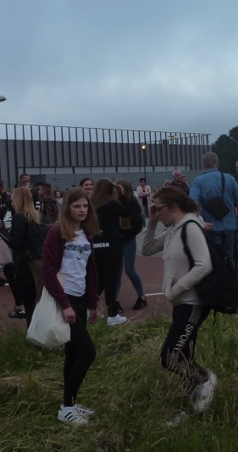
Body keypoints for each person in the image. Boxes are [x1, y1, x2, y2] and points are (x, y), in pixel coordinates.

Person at [142, 186, 217, 416]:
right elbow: (147, 249)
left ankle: (204, 380)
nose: (156, 211)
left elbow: (204, 265)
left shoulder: (191, 227)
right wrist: (152, 222)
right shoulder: (174, 228)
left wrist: (176, 289)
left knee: (169, 357)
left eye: (158, 208)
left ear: (173, 206)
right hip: (181, 302)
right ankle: (193, 406)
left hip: (192, 302)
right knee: (184, 355)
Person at [41, 187, 100, 426]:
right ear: (67, 208)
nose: (82, 210)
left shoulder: (87, 233)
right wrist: (65, 304)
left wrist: (93, 303)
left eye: (85, 206)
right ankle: (66, 407)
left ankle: (70, 403)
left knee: (73, 353)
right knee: (87, 352)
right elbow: (48, 271)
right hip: (64, 298)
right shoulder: (57, 232)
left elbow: (90, 271)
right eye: (77, 206)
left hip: (81, 298)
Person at [0, 187, 48, 326]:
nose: (11, 202)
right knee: (39, 300)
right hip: (40, 260)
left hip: (25, 263)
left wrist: (0, 230)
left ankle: (32, 331)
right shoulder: (41, 216)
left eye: (13, 199)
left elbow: (15, 243)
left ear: (18, 200)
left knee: (29, 303)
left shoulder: (20, 217)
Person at [189, 152, 238, 265]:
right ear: (218, 163)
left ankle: (219, 275)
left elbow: (192, 202)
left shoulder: (198, 181)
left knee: (215, 257)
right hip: (229, 225)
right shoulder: (229, 179)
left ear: (203, 165)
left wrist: (198, 221)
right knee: (230, 255)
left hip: (210, 226)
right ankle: (232, 274)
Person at [89, 178, 130, 326]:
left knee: (99, 279)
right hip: (112, 244)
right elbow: (128, 212)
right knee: (111, 280)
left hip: (96, 244)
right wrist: (123, 195)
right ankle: (112, 314)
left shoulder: (91, 205)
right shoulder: (111, 204)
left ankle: (89, 308)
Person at [117, 179, 147, 310]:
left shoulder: (132, 202)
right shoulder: (114, 202)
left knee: (129, 270)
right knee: (116, 271)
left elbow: (137, 224)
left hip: (128, 239)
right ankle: (115, 301)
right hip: (117, 240)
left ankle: (141, 297)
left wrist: (126, 235)